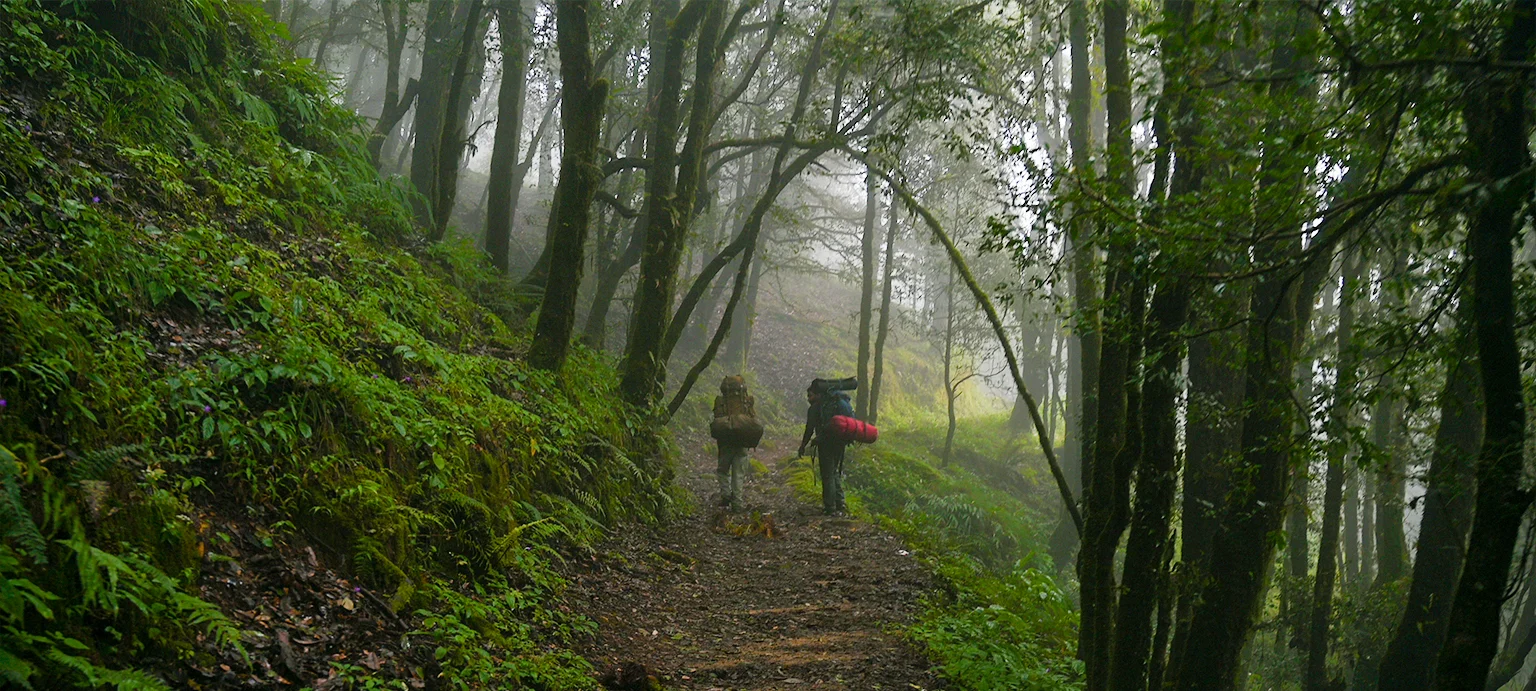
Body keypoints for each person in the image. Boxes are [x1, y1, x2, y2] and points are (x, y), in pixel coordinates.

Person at [798, 378, 855, 516]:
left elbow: (809, 428)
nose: (808, 399)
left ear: (817, 394)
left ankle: (830, 507)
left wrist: (803, 445)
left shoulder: (816, 408)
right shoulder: (836, 403)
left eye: (810, 395)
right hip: (840, 441)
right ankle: (840, 502)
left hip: (826, 443)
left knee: (827, 474)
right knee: (834, 471)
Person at [711, 375, 757, 510]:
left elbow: (717, 420)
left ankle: (725, 495)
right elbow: (752, 419)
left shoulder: (720, 401)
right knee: (738, 474)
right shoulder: (747, 401)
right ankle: (737, 504)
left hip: (725, 442)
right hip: (742, 442)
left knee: (722, 470)